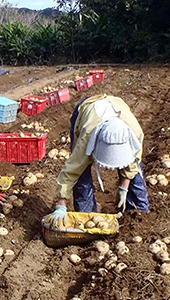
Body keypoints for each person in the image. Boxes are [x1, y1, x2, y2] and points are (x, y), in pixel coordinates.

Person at [47, 94, 149, 227]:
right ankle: (87, 218)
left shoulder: (135, 134)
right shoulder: (87, 138)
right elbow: (71, 171)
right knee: (82, 177)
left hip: (117, 105)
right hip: (86, 112)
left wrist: (124, 188)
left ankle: (139, 217)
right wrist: (61, 204)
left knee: (135, 175)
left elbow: (132, 164)